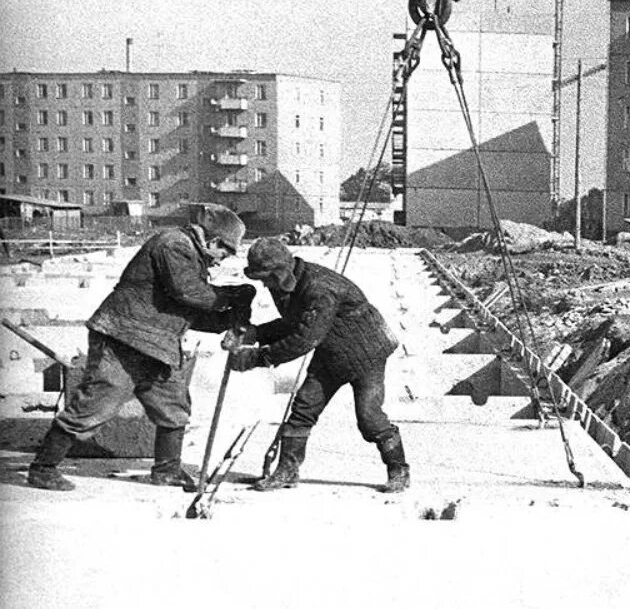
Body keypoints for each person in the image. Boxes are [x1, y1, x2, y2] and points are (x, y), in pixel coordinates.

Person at [27, 204, 255, 491]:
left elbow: (189, 312)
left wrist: (227, 318)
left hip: (157, 346)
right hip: (123, 337)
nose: (224, 259)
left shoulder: (193, 259)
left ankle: (167, 470)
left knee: (174, 408)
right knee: (96, 404)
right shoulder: (173, 244)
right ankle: (43, 468)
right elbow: (187, 292)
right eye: (227, 251)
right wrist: (231, 295)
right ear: (213, 240)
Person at [227, 237, 405, 493]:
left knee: (370, 417)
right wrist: (253, 334)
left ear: (279, 273)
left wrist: (257, 357)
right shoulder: (288, 286)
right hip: (331, 351)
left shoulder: (319, 288)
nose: (264, 285)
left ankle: (399, 469)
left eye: (265, 278)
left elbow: (304, 338)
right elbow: (295, 324)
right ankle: (287, 471)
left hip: (367, 352)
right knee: (303, 408)